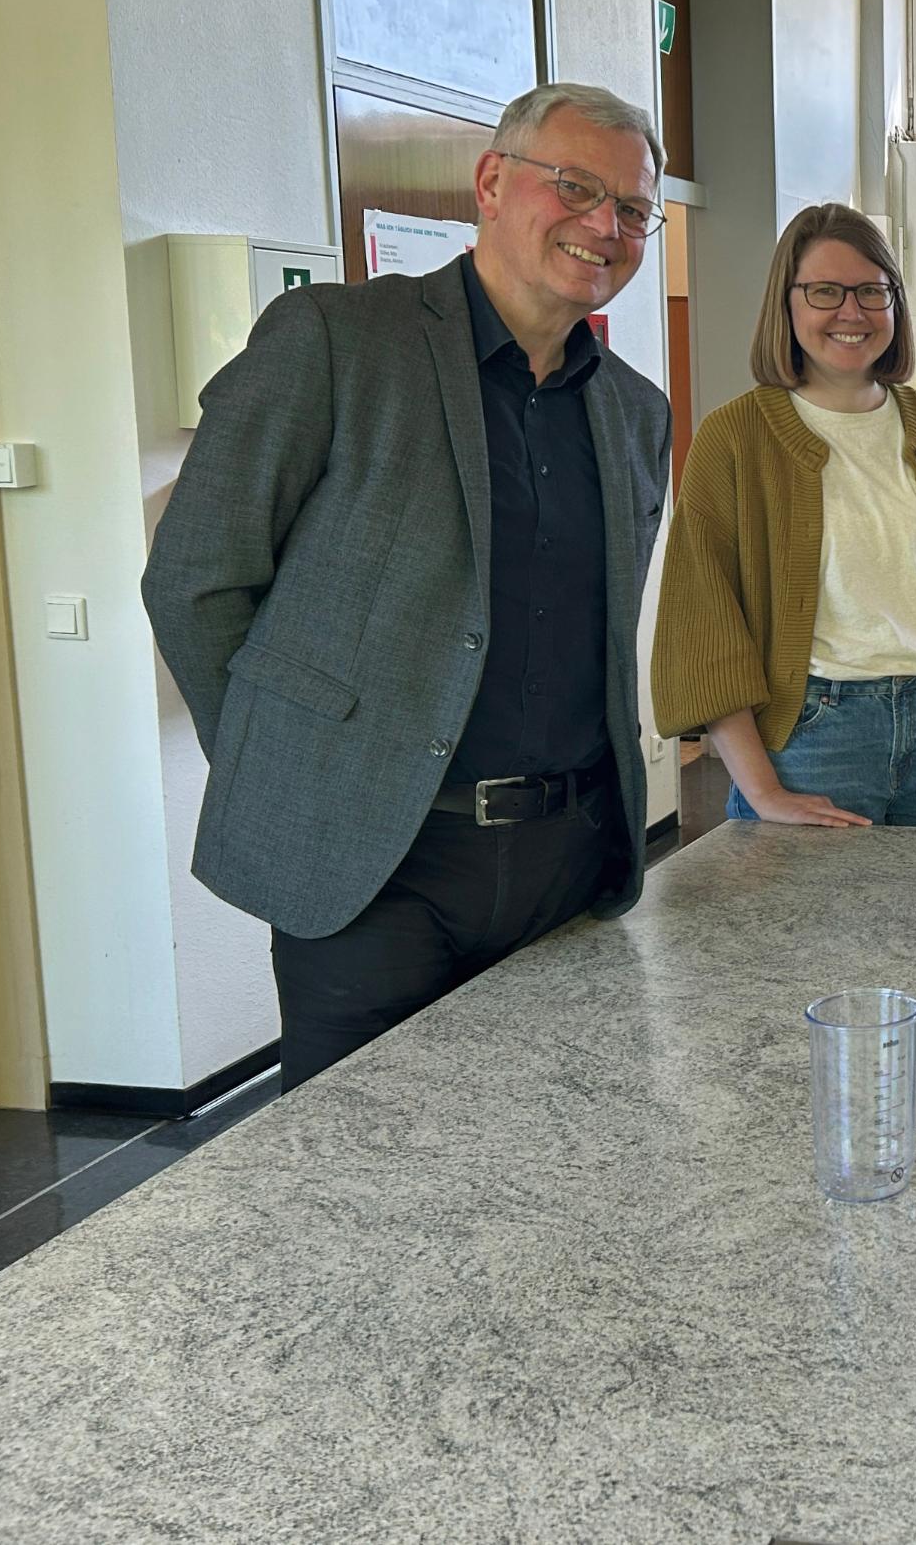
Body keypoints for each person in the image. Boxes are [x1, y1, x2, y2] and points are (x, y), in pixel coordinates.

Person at [142, 83, 674, 1091]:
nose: (605, 225)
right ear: (492, 182)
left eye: (633, 209)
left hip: (567, 861)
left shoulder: (636, 415)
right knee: (360, 1163)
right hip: (379, 873)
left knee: (560, 1150)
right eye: (575, 187)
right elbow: (195, 577)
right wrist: (290, 762)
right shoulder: (336, 342)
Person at [652, 203, 916, 832]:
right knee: (811, 903)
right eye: (825, 291)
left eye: (872, 291)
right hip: (812, 738)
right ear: (786, 302)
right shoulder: (735, 436)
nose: (851, 312)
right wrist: (764, 792)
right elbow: (703, 620)